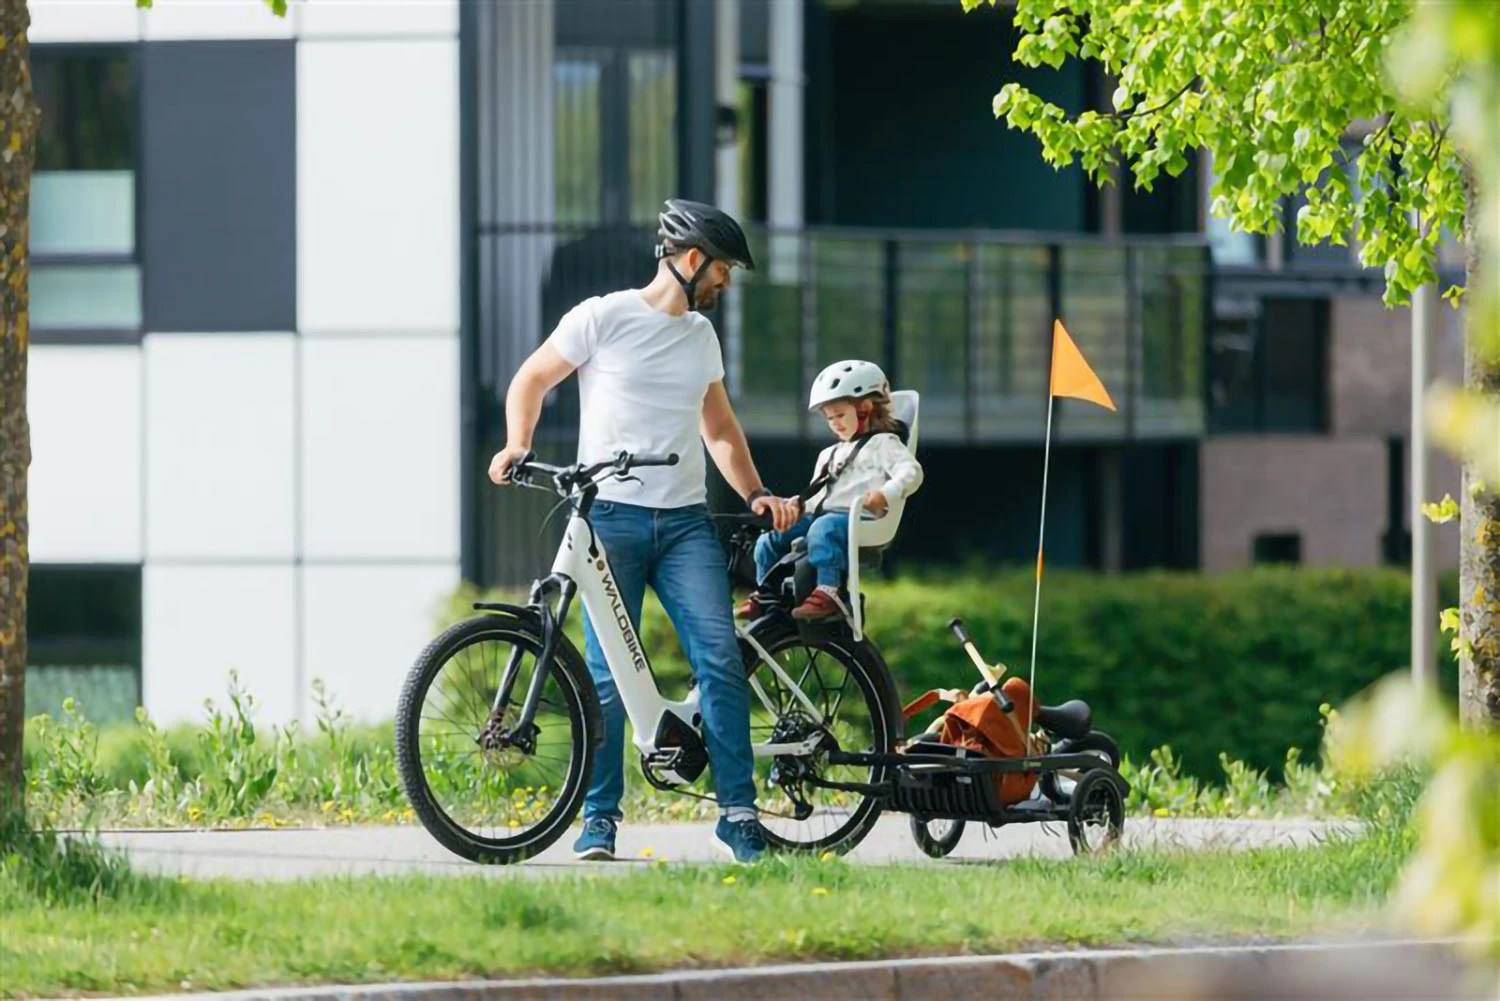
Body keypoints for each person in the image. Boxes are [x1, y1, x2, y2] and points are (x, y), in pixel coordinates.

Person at [487, 199, 798, 865]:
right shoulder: (604, 316)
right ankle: (599, 819)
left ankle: (738, 815)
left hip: (684, 523)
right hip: (611, 521)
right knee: (607, 676)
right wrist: (518, 443)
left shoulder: (701, 339)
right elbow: (532, 379)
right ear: (691, 262)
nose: (726, 283)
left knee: (717, 656)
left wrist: (757, 492)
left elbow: (718, 428)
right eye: (722, 270)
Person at [736, 360, 924, 622]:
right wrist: (797, 506)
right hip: (823, 516)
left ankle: (830, 591)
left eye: (839, 415)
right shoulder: (830, 453)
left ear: (865, 408)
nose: (834, 423)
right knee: (770, 538)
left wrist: (885, 494)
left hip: (859, 517)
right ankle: (767, 595)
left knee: (822, 529)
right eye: (829, 418)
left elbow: (912, 473)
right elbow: (818, 496)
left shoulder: (885, 444)